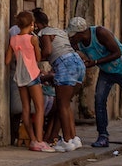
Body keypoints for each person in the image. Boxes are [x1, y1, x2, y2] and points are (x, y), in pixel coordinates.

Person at [68, 17, 122, 148]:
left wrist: (96, 62)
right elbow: (87, 56)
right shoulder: (79, 42)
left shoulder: (100, 33)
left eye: (73, 35)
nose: (72, 38)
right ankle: (103, 135)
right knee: (99, 100)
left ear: (81, 33)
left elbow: (117, 52)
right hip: (106, 72)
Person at [33, 8, 87, 151]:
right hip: (78, 63)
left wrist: (36, 58)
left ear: (37, 24)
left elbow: (48, 51)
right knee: (67, 104)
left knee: (62, 104)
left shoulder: (44, 33)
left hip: (65, 65)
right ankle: (74, 138)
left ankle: (67, 141)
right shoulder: (59, 31)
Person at [5, 11, 50, 152]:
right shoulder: (32, 39)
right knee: (39, 108)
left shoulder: (13, 39)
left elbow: (7, 61)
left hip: (20, 77)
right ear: (31, 24)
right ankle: (39, 140)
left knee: (25, 108)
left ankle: (32, 139)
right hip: (32, 75)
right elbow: (38, 57)